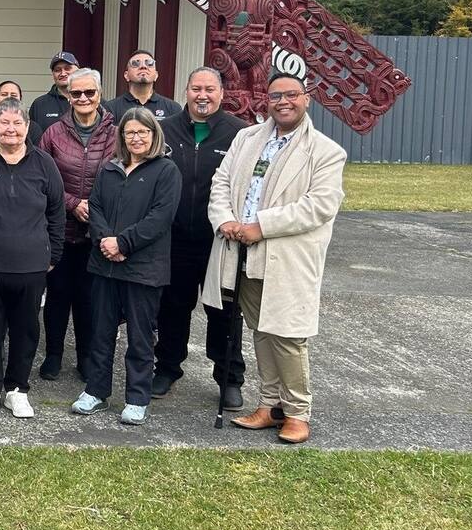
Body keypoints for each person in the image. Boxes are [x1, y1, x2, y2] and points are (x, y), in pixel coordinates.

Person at [204, 73, 347, 445]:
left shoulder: (326, 151)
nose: (283, 101)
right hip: (242, 252)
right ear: (266, 101)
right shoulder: (247, 138)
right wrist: (225, 220)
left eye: (291, 94)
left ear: (306, 98)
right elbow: (221, 182)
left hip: (286, 256)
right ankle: (269, 405)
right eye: (275, 95)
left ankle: (297, 413)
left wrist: (261, 226)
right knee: (262, 330)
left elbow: (319, 206)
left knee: (288, 335)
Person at [71, 108, 181, 426]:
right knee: (100, 334)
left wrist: (123, 243)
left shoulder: (166, 171)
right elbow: (96, 207)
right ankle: (96, 391)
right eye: (130, 132)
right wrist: (106, 241)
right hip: (104, 265)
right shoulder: (109, 169)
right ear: (121, 137)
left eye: (143, 132)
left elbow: (160, 217)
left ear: (154, 134)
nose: (136, 138)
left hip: (143, 269)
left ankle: (137, 399)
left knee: (140, 338)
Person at [0, 98, 66, 419]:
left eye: (17, 123)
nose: (11, 129)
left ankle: (17, 390)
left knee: (26, 331)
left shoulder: (44, 163)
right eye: (4, 122)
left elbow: (56, 213)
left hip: (31, 267)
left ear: (28, 127)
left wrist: (53, 254)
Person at [155, 67, 246, 405]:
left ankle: (229, 377)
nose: (202, 95)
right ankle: (167, 368)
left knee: (224, 311)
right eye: (196, 88)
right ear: (186, 91)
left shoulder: (240, 134)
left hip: (219, 240)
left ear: (221, 93)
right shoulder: (165, 130)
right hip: (175, 238)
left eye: (209, 89)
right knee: (172, 308)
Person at [37, 68, 117, 380]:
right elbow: (42, 178)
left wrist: (93, 208)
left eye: (89, 92)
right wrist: (72, 203)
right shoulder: (53, 133)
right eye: (76, 93)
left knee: (90, 300)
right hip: (60, 230)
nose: (83, 98)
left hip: (98, 233)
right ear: (68, 96)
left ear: (99, 94)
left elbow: (123, 177)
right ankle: (53, 355)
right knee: (57, 296)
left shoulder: (115, 134)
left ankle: (86, 357)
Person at [103, 48, 182, 123]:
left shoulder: (173, 109)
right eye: (135, 63)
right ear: (126, 75)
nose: (143, 66)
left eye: (149, 63)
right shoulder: (111, 109)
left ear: (156, 75)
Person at [30, 51, 78, 134]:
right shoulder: (39, 104)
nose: (63, 73)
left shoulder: (91, 101)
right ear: (53, 74)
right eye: (57, 70)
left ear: (78, 71)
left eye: (67, 68)